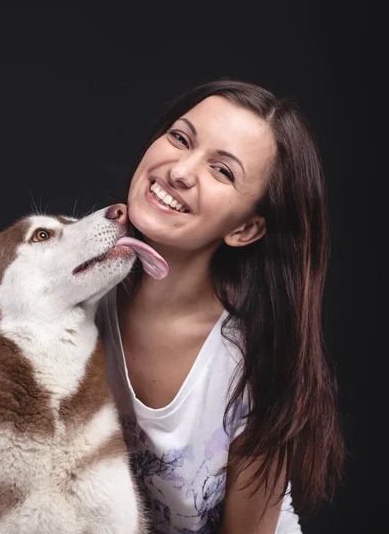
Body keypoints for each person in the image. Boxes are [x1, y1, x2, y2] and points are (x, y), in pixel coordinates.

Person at [99, 79, 345, 533]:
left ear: (246, 230)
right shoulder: (74, 290)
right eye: (180, 138)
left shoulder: (255, 363)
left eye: (223, 171)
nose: (180, 171)